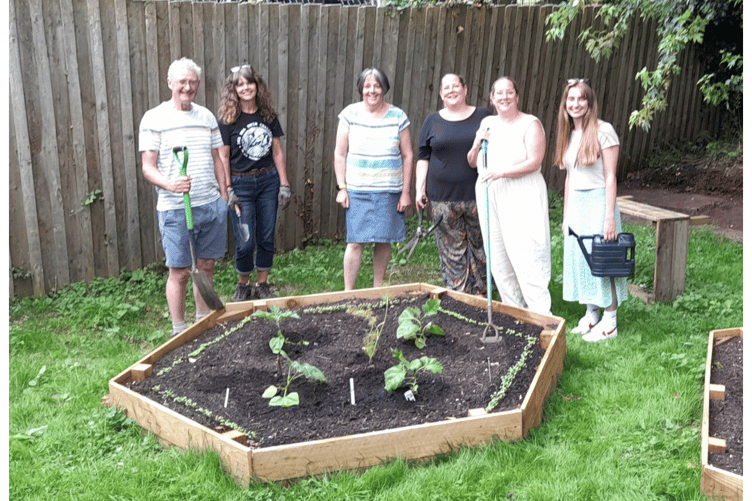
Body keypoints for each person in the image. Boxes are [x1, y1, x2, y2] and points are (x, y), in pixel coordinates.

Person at [139, 57, 228, 336]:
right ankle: (179, 330)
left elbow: (217, 159)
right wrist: (170, 184)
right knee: (179, 272)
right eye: (182, 82)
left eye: (193, 82)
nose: (187, 87)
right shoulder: (154, 118)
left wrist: (224, 199)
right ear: (170, 84)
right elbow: (147, 167)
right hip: (176, 208)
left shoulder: (206, 117)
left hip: (210, 205)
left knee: (206, 266)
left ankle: (202, 321)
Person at [467, 77, 552, 315]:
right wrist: (477, 141)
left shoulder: (530, 123)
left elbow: (535, 162)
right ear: (492, 98)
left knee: (526, 253)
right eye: (499, 93)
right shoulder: (487, 123)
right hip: (490, 192)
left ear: (517, 96)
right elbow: (472, 162)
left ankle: (542, 316)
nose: (504, 97)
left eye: (509, 92)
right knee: (498, 254)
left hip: (521, 192)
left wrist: (501, 172)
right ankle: (516, 313)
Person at [554, 78, 628, 342]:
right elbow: (570, 177)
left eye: (580, 99)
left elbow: (610, 177)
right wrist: (566, 217)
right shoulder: (568, 133)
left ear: (589, 102)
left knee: (603, 262)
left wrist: (609, 218)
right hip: (577, 206)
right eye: (570, 99)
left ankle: (610, 322)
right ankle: (591, 314)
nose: (575, 104)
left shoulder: (603, 130)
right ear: (565, 104)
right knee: (582, 260)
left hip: (599, 203)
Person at [334, 68, 413, 290]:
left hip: (389, 189)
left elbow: (408, 155)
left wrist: (405, 192)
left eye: (377, 86)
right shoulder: (349, 114)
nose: (372, 90)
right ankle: (348, 291)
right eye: (367, 86)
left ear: (384, 88)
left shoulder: (398, 116)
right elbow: (339, 154)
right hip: (358, 189)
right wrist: (342, 187)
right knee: (355, 241)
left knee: (384, 239)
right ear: (361, 89)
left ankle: (377, 288)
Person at [217, 65, 291, 301]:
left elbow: (277, 152)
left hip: (268, 182)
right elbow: (223, 157)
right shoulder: (228, 120)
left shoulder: (268, 116)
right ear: (234, 90)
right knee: (246, 240)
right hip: (241, 185)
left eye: (249, 82)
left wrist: (284, 184)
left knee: (267, 236)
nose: (245, 87)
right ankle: (243, 284)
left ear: (257, 86)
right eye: (240, 84)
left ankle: (262, 284)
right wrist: (228, 189)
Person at [416, 73, 490, 295]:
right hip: (441, 197)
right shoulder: (432, 121)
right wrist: (420, 188)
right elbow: (423, 157)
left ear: (465, 89)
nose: (451, 90)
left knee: (481, 246)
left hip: (478, 194)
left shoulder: (484, 116)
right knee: (451, 248)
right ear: (440, 94)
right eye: (446, 87)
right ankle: (459, 294)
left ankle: (481, 295)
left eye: (455, 85)